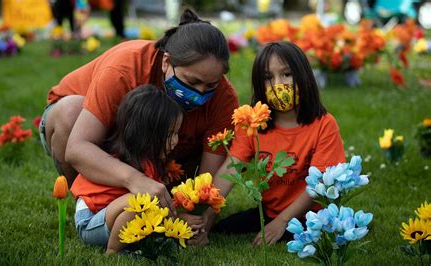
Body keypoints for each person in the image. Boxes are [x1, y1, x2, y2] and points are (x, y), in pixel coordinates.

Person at [38, 8, 239, 215]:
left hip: (156, 155)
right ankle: (88, 206)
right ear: (166, 62)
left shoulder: (224, 98)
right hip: (91, 132)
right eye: (192, 81)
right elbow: (77, 148)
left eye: (210, 86)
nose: (199, 94)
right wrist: (134, 179)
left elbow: (209, 179)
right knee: (69, 111)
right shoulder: (126, 67)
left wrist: (200, 217)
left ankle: (141, 202)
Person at [200, 41, 346, 245]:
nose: (278, 84)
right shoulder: (252, 124)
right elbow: (230, 170)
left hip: (313, 215)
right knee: (222, 229)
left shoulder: (324, 125)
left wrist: (282, 222)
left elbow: (319, 185)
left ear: (304, 77)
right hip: (269, 211)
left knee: (293, 236)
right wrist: (205, 219)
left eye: (286, 74)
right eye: (268, 78)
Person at [71, 85, 196, 253]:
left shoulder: (147, 162)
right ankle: (114, 252)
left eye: (176, 133)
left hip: (107, 219)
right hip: (90, 222)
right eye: (168, 135)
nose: (175, 141)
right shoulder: (126, 163)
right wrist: (176, 218)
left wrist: (180, 220)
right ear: (145, 135)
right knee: (141, 201)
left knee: (145, 204)